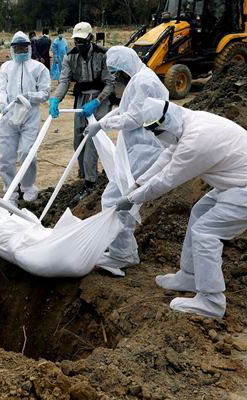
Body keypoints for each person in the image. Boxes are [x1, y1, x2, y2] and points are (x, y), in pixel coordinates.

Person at [109, 98, 247, 318]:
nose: (156, 137)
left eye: (157, 132)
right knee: (199, 212)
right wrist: (138, 185)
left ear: (166, 124)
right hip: (240, 184)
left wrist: (133, 198)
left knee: (206, 232)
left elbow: (167, 179)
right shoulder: (185, 122)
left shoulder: (196, 141)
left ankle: (211, 300)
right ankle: (190, 276)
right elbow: (167, 157)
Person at [84, 46, 168, 276]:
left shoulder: (143, 82)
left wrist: (101, 125)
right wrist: (102, 120)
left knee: (114, 198)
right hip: (140, 149)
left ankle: (124, 254)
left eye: (116, 70)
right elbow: (124, 109)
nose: (116, 75)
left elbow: (132, 118)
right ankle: (121, 250)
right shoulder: (140, 78)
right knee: (121, 198)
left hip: (145, 150)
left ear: (125, 65)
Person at [48, 22, 115, 202]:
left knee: (92, 139)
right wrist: (56, 99)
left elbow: (110, 83)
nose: (79, 44)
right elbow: (64, 81)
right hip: (81, 100)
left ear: (90, 38)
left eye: (82, 41)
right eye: (76, 41)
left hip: (99, 100)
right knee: (79, 140)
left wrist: (98, 101)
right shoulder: (70, 57)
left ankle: (90, 182)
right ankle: (85, 171)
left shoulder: (103, 55)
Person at [0, 31, 51, 205]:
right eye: (16, 48)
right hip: (9, 115)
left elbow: (45, 92)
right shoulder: (6, 68)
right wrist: (2, 102)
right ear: (12, 49)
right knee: (5, 157)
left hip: (29, 115)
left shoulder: (38, 68)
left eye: (23, 48)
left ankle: (28, 186)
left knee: (27, 152)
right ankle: (10, 189)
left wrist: (29, 96)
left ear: (28, 48)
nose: (20, 51)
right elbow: (0, 88)